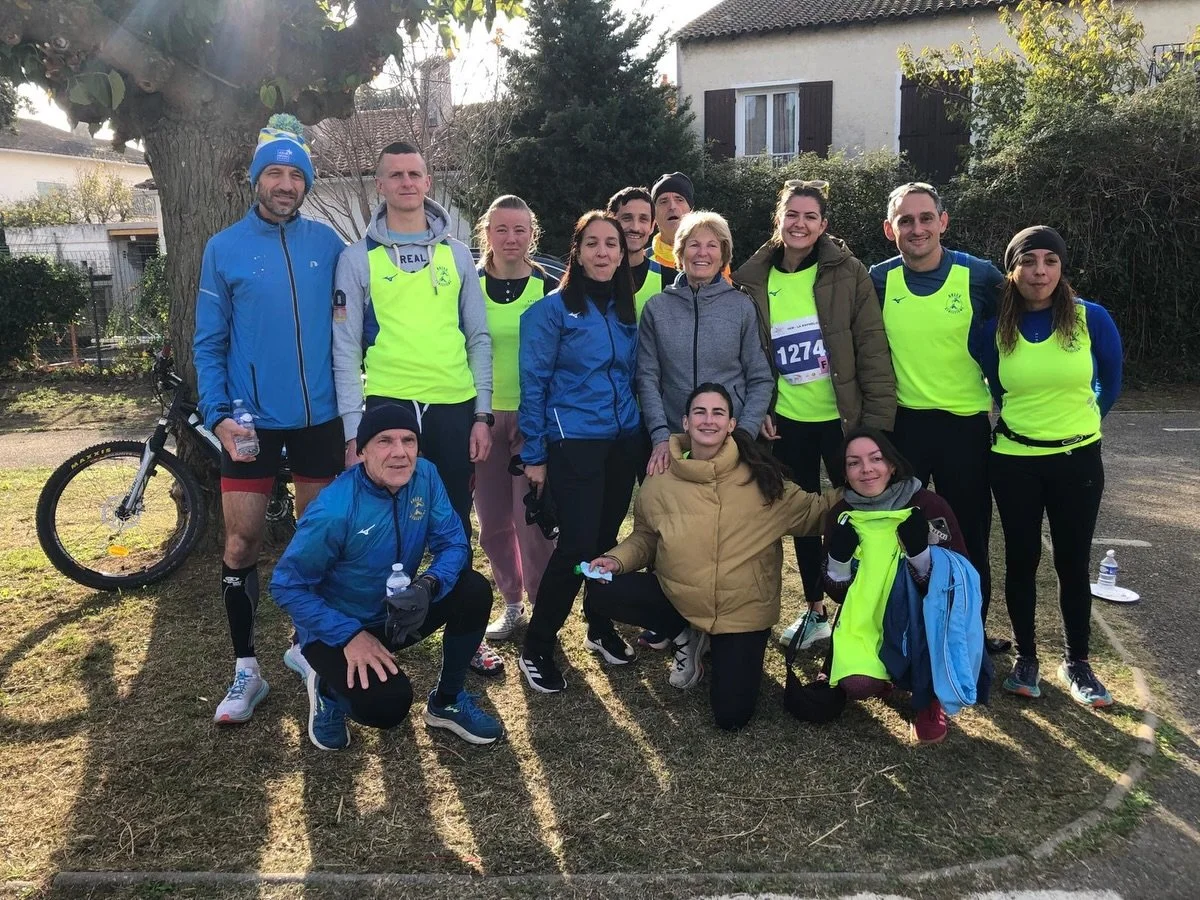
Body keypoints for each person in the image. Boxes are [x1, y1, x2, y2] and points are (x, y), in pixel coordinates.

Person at [194, 113, 346, 725]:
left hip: (319, 419)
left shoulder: (329, 246)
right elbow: (209, 343)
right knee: (242, 541)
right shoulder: (223, 248)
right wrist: (218, 416)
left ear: (306, 183)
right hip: (249, 422)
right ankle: (246, 669)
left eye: (296, 175)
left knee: (318, 542)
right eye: (275, 174)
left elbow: (359, 326)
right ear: (257, 179)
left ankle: (306, 647)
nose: (286, 184)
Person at [331, 141, 503, 676]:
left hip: (453, 404)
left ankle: (466, 629)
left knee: (454, 519)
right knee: (381, 521)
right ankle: (376, 625)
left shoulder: (457, 254)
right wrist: (353, 431)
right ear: (380, 185)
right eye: (396, 175)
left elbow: (478, 337)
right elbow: (344, 348)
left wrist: (482, 414)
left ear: (428, 182)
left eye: (415, 174)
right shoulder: (356, 258)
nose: (407, 183)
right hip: (389, 404)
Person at [584, 383, 838, 730]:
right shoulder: (660, 479)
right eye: (699, 412)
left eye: (718, 413)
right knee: (603, 588)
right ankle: (685, 634)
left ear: (731, 424)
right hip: (681, 598)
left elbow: (816, 511)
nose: (708, 420)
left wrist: (871, 488)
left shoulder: (762, 476)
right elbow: (646, 537)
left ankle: (720, 646)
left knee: (731, 716)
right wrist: (615, 560)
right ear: (685, 422)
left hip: (742, 612)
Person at [270, 403, 504, 750]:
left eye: (409, 440)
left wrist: (428, 585)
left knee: (473, 589)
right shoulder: (334, 509)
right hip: (336, 632)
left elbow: (454, 543)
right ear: (361, 451)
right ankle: (327, 690)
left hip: (397, 612)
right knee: (387, 705)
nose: (399, 452)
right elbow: (286, 586)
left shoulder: (425, 475)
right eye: (385, 441)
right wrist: (349, 636)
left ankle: (447, 702)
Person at [735, 180, 896, 653]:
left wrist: (876, 425)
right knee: (803, 519)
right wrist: (761, 408)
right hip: (786, 422)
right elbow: (750, 355)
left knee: (860, 514)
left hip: (844, 421)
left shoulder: (849, 273)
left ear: (823, 225)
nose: (800, 224)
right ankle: (815, 611)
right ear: (778, 220)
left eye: (810, 216)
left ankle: (864, 612)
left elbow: (872, 347)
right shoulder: (753, 278)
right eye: (792, 215)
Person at [978, 227, 1123, 708]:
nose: (1039, 271)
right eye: (1028, 261)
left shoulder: (1090, 318)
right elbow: (997, 388)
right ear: (1012, 270)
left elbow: (1111, 381)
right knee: (1021, 560)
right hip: (1014, 462)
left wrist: (1085, 425)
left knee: (1072, 562)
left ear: (1061, 267)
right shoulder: (994, 328)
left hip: (1078, 460)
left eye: (1050, 261)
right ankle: (1026, 659)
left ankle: (1077, 662)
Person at [868, 182, 1010, 655]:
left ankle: (970, 634)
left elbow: (1031, 312)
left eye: (926, 217)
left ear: (943, 222)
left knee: (967, 534)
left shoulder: (980, 276)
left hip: (963, 427)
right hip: (903, 428)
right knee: (898, 531)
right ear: (890, 229)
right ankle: (900, 629)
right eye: (905, 220)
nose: (917, 228)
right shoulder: (878, 280)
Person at [516, 211, 642, 693]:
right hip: (574, 442)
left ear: (622, 253)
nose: (603, 252)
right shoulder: (550, 311)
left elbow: (631, 376)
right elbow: (534, 385)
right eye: (593, 243)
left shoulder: (626, 310)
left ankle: (599, 625)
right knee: (576, 545)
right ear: (578, 251)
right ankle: (537, 646)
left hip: (622, 441)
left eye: (612, 243)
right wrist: (534, 453)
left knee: (607, 543)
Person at [819, 428, 969, 744]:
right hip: (870, 617)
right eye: (854, 463)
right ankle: (884, 673)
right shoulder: (842, 514)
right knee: (857, 684)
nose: (866, 469)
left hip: (921, 618)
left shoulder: (928, 505)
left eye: (876, 459)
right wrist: (838, 561)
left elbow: (956, 586)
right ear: (844, 472)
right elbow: (837, 593)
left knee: (929, 630)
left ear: (892, 464)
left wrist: (920, 556)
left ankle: (930, 698)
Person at [472, 195, 557, 643]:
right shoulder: (468, 285)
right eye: (501, 229)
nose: (511, 238)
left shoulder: (548, 288)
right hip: (483, 419)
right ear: (487, 233)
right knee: (493, 522)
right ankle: (511, 602)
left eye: (520, 229)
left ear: (532, 234)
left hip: (533, 421)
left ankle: (543, 606)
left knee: (533, 523)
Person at [638, 210, 772, 479]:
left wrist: (744, 433)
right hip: (675, 440)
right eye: (694, 244)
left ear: (723, 255)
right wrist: (660, 437)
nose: (702, 253)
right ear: (680, 252)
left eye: (712, 245)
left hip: (731, 441)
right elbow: (647, 378)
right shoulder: (656, 308)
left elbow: (760, 378)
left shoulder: (742, 306)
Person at [607, 186, 663, 318]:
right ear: (610, 222)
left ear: (652, 226)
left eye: (643, 219)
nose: (635, 227)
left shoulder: (669, 280)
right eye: (627, 218)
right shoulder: (591, 277)